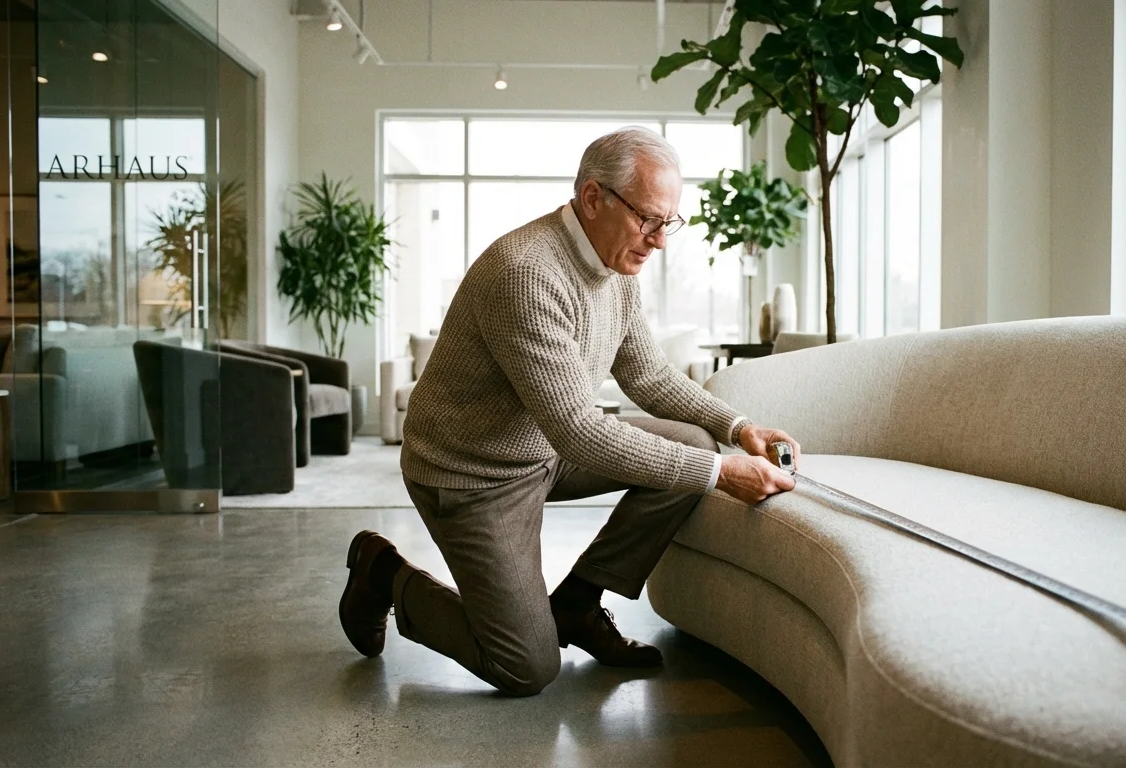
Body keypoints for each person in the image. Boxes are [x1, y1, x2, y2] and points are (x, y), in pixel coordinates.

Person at [338, 126, 800, 696]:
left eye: (668, 222)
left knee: (694, 447)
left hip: (544, 451)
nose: (659, 241)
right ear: (592, 198)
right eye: (648, 219)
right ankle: (384, 573)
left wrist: (738, 428)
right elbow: (581, 431)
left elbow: (649, 375)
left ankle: (577, 604)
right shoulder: (526, 273)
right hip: (473, 475)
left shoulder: (616, 265)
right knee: (525, 668)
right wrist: (725, 474)